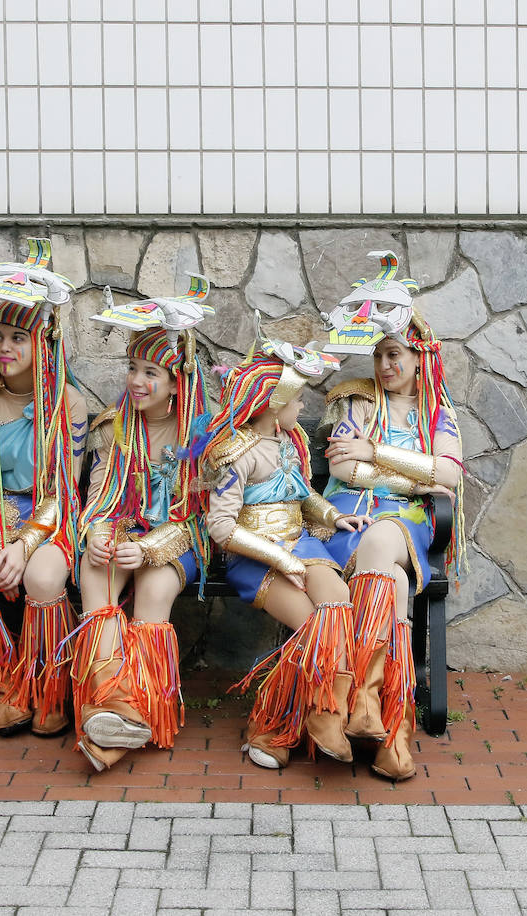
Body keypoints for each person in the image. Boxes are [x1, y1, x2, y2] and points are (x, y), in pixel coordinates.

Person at [198, 317, 370, 770]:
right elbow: (220, 527)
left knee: (337, 604)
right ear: (275, 406)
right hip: (254, 558)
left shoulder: (290, 443)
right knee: (314, 626)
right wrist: (279, 559)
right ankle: (272, 722)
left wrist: (334, 515)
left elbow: (303, 494)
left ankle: (323, 713)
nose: (301, 407)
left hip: (301, 543)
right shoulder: (234, 453)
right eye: (297, 400)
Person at [319, 252, 464, 781]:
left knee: (387, 539)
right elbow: (343, 469)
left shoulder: (437, 412)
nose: (385, 365)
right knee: (392, 582)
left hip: (409, 526)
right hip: (347, 523)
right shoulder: (352, 401)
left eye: (395, 353)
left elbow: (446, 477)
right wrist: (414, 476)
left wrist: (375, 454)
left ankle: (363, 705)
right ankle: (389, 724)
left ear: (420, 355)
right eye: (379, 354)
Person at [0, 239, 88, 737]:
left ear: (41, 343)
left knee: (45, 579)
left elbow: (63, 490)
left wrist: (25, 545)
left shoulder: (67, 405)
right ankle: (4, 683)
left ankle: (49, 684)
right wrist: (0, 545)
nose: (5, 348)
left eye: (18, 338)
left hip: (51, 519)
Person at [70, 277, 214, 771]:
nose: (136, 380)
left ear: (177, 381)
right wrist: (97, 535)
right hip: (123, 530)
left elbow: (199, 513)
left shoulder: (198, 433)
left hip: (177, 542)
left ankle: (119, 711)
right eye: (132, 368)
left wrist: (152, 548)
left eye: (151, 371)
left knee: (153, 590)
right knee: (96, 575)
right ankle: (117, 711)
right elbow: (97, 498)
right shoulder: (113, 427)